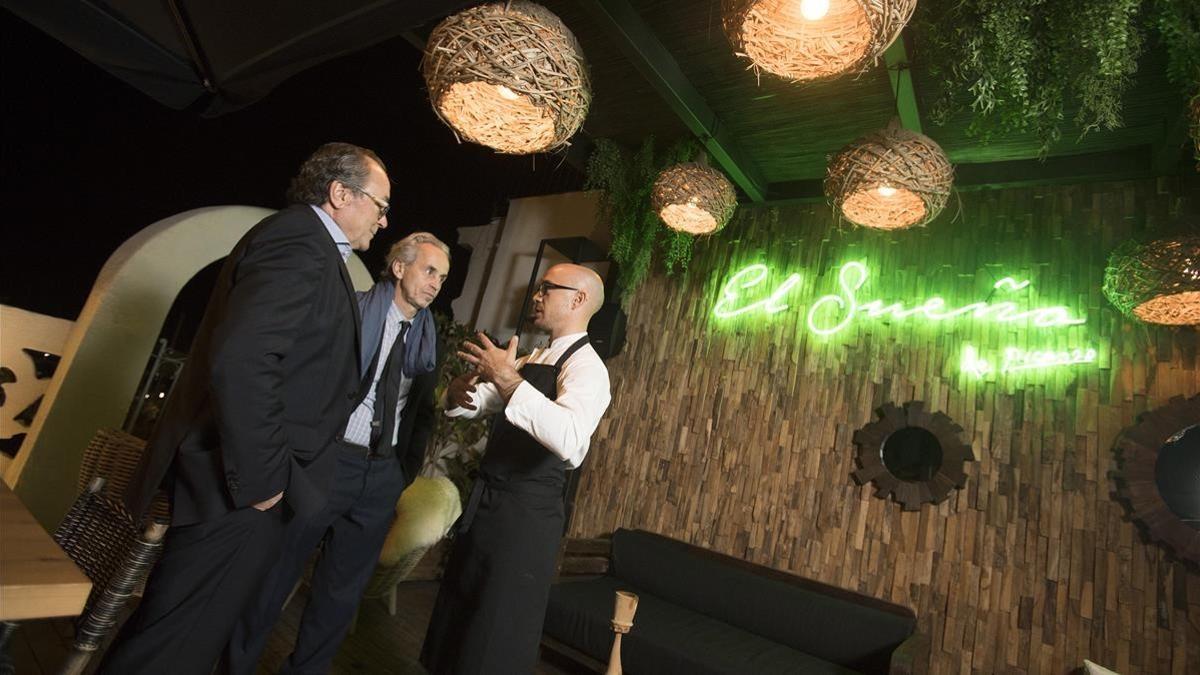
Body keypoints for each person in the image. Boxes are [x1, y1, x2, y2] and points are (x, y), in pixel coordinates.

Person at [99, 142, 391, 675]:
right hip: (238, 490)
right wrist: (263, 483)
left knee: (180, 640)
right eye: (380, 204)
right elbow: (243, 359)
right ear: (340, 193)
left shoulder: (315, 249)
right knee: (171, 650)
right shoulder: (299, 240)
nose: (384, 219)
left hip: (244, 489)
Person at [224, 232, 450, 675]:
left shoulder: (427, 337)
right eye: (429, 270)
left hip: (380, 475)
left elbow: (421, 411)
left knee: (340, 594)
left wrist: (400, 473)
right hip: (327, 463)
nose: (436, 283)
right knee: (276, 578)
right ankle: (236, 667)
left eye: (442, 276)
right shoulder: (351, 313)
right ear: (400, 268)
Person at [420, 263, 612, 675]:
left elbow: (570, 439)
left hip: (525, 519)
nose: (537, 296)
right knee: (460, 616)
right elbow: (476, 405)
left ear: (578, 300)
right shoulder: (532, 356)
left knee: (495, 631)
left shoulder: (588, 369)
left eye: (547, 289)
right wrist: (458, 393)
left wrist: (508, 381)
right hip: (487, 506)